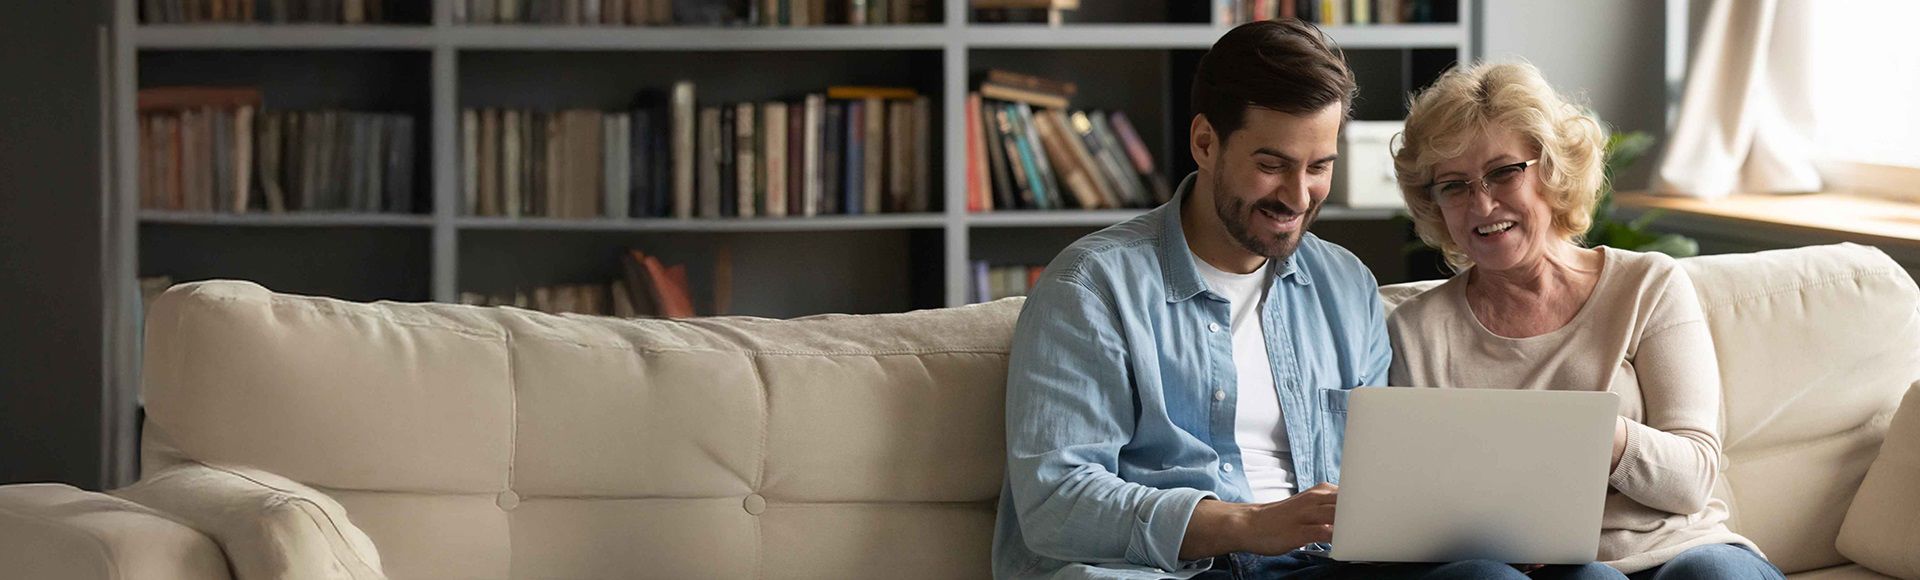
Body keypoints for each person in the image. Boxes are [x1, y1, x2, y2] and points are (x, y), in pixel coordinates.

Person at [992, 21, 1617, 580]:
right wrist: (1249, 524)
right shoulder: (1092, 287)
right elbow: (1057, 502)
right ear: (1206, 143)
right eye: (1272, 164)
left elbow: (1385, 478)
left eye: (1319, 166)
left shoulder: (1345, 286)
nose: (1298, 194)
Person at [1386, 61, 1785, 580]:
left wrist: (1590, 432)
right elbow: (1419, 505)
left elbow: (1691, 479)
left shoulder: (1648, 286)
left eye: (1504, 172)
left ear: (1551, 171)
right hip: (1539, 565)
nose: (1481, 203)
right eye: (1454, 186)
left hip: (1680, 549)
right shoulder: (1414, 330)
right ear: (1433, 203)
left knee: (1715, 574)